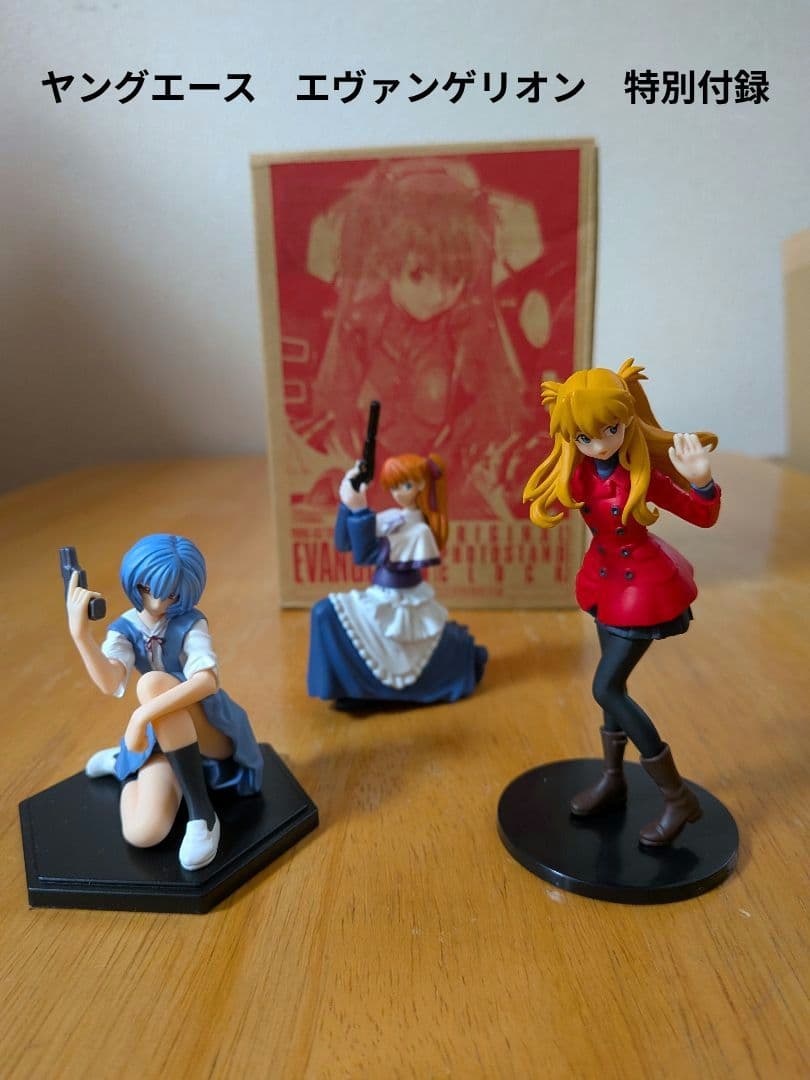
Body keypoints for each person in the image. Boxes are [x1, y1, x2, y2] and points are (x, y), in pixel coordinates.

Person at [522, 360, 721, 845]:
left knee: (606, 687)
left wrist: (701, 481)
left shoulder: (642, 475)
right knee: (616, 685)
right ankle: (613, 779)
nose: (598, 444)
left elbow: (702, 515)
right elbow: (555, 491)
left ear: (627, 420)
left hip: (644, 586)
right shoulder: (578, 472)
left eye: (609, 430)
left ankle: (677, 797)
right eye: (584, 437)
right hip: (604, 582)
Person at [66, 534, 263, 870]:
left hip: (208, 726)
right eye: (148, 589)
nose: (158, 603)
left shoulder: (191, 622)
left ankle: (203, 815)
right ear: (135, 582)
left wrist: (140, 717)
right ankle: (123, 763)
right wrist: (81, 635)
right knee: (144, 832)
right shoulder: (125, 627)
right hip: (162, 736)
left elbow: (206, 681)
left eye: (171, 594)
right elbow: (111, 682)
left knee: (153, 683)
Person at [308, 453, 488, 706]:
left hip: (403, 601)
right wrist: (347, 503)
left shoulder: (421, 532)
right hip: (381, 595)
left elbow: (368, 554)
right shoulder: (393, 517)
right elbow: (345, 543)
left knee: (324, 612)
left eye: (405, 485)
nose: (397, 493)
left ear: (421, 485)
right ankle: (347, 687)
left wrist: (360, 509)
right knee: (323, 612)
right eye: (393, 487)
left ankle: (366, 688)